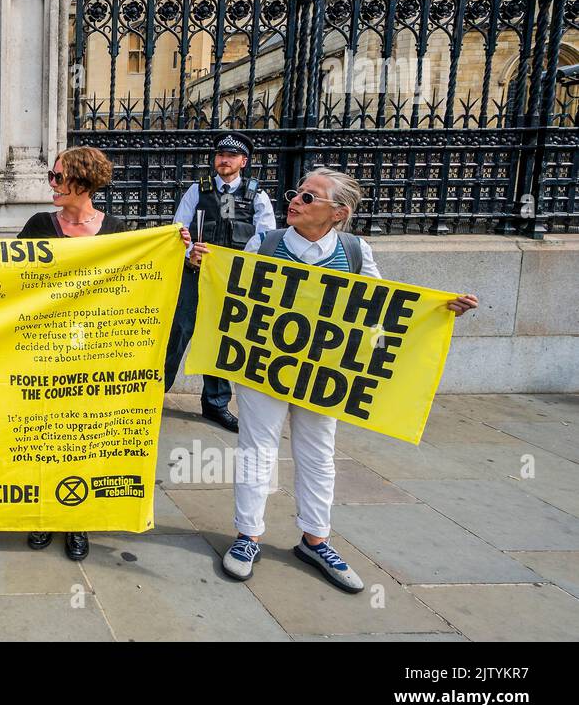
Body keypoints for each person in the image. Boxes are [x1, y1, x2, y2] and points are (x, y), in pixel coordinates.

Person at [188, 167, 478, 593]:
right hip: (264, 366)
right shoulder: (266, 243)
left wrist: (433, 314)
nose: (295, 200)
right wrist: (202, 265)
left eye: (309, 197)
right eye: (297, 192)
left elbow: (380, 311)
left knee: (318, 453)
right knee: (256, 449)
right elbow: (233, 287)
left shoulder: (355, 251)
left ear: (338, 213)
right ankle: (248, 536)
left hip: (322, 373)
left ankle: (315, 539)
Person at [0, 146, 188, 561]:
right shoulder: (40, 225)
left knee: (82, 441)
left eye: (57, 178)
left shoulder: (117, 230)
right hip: (43, 353)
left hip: (94, 356)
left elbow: (141, 285)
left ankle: (77, 519)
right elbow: (11, 275)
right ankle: (42, 515)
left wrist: (173, 249)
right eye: (51, 178)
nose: (50, 185)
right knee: (41, 439)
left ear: (82, 181)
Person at [164, 131, 276, 434]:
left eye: (230, 155)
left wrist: (235, 264)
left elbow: (265, 235)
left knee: (221, 339)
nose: (223, 159)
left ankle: (215, 404)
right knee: (179, 331)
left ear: (243, 161)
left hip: (232, 280)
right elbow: (178, 228)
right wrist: (190, 252)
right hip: (195, 274)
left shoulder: (257, 195)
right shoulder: (196, 190)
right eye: (219, 154)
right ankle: (153, 394)